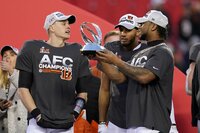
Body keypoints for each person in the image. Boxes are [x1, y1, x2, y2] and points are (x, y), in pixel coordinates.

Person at [96, 10, 174, 132]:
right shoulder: (141, 54)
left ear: (153, 26)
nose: (140, 27)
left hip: (151, 123)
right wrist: (100, 60)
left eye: (143, 23)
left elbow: (145, 77)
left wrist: (116, 61)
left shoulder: (162, 51)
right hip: (135, 122)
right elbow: (122, 78)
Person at [15, 11, 91, 133]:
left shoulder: (78, 51)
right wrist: (37, 114)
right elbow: (23, 89)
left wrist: (75, 114)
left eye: (69, 24)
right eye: (63, 23)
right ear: (51, 27)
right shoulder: (32, 48)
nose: (68, 26)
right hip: (38, 124)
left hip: (67, 124)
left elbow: (83, 92)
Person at [98, 14, 147, 133]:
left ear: (138, 32)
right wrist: (102, 123)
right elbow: (105, 88)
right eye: (121, 29)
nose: (123, 34)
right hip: (116, 118)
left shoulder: (148, 51)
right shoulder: (110, 48)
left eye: (128, 30)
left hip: (141, 119)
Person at [0, 45, 27, 133]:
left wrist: (11, 71)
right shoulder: (0, 81)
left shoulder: (27, 76)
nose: (8, 57)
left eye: (12, 54)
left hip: (22, 128)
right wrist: (1, 108)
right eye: (5, 55)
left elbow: (25, 89)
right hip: (5, 128)